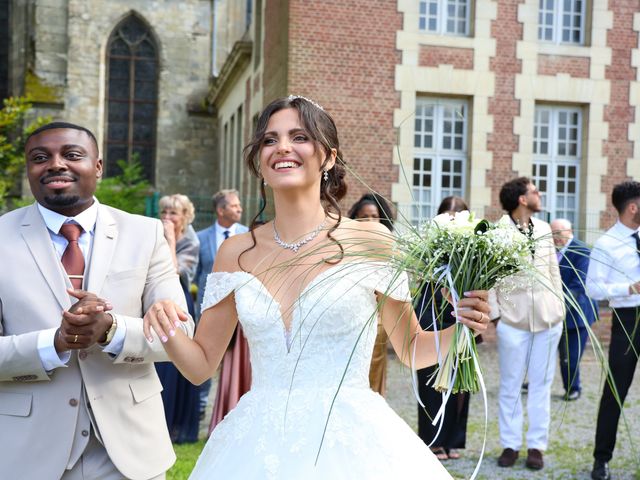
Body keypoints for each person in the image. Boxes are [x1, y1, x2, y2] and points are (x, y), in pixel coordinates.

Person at [144, 96, 490, 479]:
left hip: (352, 442)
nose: (283, 148)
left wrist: (463, 329)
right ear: (260, 160)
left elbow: (410, 349)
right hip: (256, 443)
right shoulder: (235, 252)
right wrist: (166, 324)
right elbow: (200, 366)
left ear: (328, 157)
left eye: (299, 137)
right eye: (270, 140)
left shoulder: (372, 240)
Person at [0, 122, 194, 480]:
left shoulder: (146, 234)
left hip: (129, 452)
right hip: (27, 453)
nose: (56, 164)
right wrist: (53, 343)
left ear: (99, 166)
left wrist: (112, 330)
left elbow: (180, 334)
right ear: (29, 169)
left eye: (72, 155)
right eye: (40, 158)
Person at [490, 177, 564, 471]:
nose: (539, 194)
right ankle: (510, 444)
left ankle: (536, 446)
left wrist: (559, 306)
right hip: (512, 320)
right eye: (534, 191)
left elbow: (552, 272)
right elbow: (490, 277)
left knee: (541, 385)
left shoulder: (544, 229)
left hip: (549, 319)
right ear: (522, 199)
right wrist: (497, 316)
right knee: (509, 385)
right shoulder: (498, 231)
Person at [586, 181, 640, 480]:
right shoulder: (607, 243)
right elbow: (593, 289)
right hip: (628, 321)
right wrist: (628, 288)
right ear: (633, 207)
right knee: (615, 393)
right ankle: (601, 460)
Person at [416, 195, 472, 461]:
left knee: (459, 383)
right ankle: (432, 439)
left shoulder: (475, 248)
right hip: (431, 315)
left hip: (460, 315)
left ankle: (453, 440)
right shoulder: (429, 247)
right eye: (447, 218)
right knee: (430, 381)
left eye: (456, 218)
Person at [194, 189, 249, 419]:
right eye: (235, 206)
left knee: (238, 364)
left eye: (239, 205)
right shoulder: (201, 237)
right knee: (205, 359)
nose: (240, 209)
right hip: (208, 312)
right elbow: (194, 275)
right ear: (221, 210)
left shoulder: (249, 236)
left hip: (243, 313)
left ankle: (235, 410)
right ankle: (200, 410)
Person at [155, 194, 201, 443]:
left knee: (173, 362)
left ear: (185, 216)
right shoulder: (153, 235)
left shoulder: (191, 241)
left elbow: (173, 272)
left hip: (180, 302)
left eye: (173, 213)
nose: (167, 218)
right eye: (164, 212)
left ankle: (174, 424)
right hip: (155, 303)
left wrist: (170, 239)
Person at [348, 192, 395, 396]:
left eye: (374, 216)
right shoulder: (346, 246)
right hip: (350, 320)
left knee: (373, 378)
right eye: (364, 216)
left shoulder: (388, 248)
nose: (369, 221)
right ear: (355, 219)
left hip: (377, 321)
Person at [550, 218, 598, 402]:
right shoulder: (552, 250)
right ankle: (536, 383)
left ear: (569, 231)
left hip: (577, 313)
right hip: (553, 312)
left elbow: (578, 286)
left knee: (570, 355)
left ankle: (573, 388)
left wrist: (557, 309)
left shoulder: (582, 250)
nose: (554, 238)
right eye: (552, 234)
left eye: (558, 234)